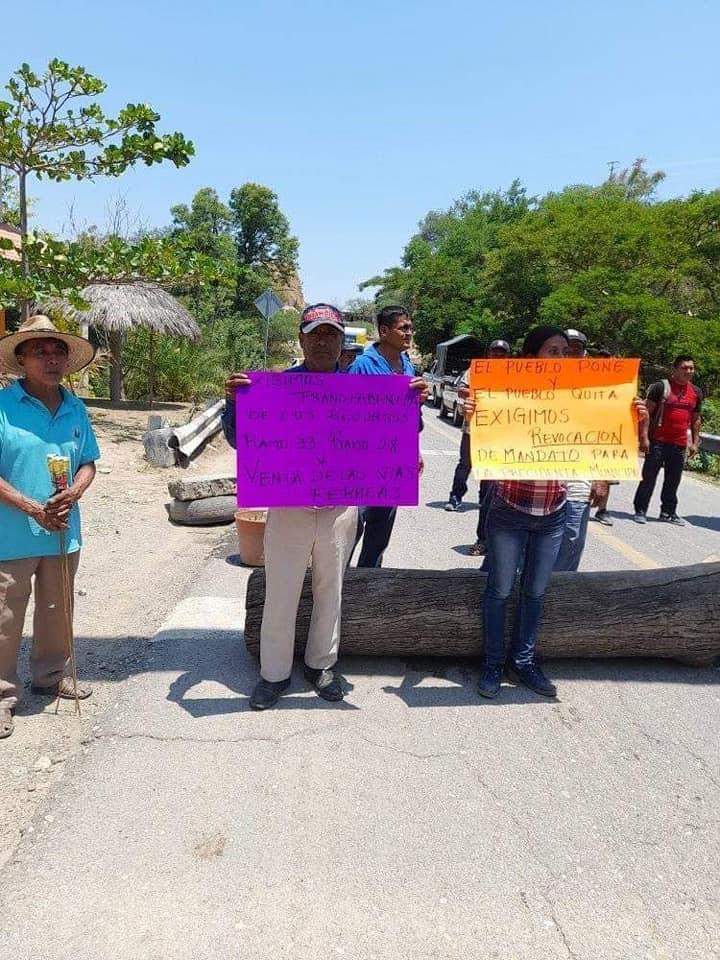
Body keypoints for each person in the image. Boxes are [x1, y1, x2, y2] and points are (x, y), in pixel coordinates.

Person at [222, 303, 359, 710]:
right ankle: (274, 674)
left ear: (342, 342)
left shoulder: (363, 393)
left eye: (331, 334)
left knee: (330, 590)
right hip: (289, 506)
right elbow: (239, 439)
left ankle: (321, 665)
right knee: (281, 591)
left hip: (339, 509)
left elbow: (395, 437)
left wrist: (410, 405)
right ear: (301, 339)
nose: (323, 341)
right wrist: (234, 403)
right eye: (315, 334)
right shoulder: (275, 388)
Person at [0, 315, 99, 740]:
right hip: (10, 536)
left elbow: (88, 462)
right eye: (39, 350)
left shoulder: (76, 408)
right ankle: (3, 695)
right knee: (5, 617)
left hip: (62, 532)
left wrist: (75, 491)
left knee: (58, 610)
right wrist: (30, 507)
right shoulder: (3, 406)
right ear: (21, 359)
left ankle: (51, 675)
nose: (51, 358)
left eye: (58, 350)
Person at [469, 326, 570, 700]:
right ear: (531, 357)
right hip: (510, 509)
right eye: (552, 350)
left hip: (553, 512)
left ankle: (523, 662)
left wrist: (629, 416)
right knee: (499, 589)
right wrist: (474, 414)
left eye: (565, 352)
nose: (561, 358)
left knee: (535, 592)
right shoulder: (509, 393)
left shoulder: (578, 398)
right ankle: (493, 663)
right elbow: (486, 437)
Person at [347, 305, 428, 567]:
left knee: (379, 537)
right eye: (403, 328)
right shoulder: (362, 366)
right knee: (350, 531)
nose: (409, 333)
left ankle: (368, 585)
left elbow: (407, 419)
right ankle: (339, 586)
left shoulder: (407, 366)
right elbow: (344, 415)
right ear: (384, 331)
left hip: (393, 465)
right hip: (361, 466)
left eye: (410, 327)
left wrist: (414, 449)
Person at [633, 355, 702, 525]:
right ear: (675, 369)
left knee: (673, 480)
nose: (688, 371)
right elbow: (645, 414)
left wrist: (694, 442)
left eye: (691, 368)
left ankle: (668, 512)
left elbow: (696, 419)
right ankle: (640, 510)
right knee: (648, 478)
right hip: (658, 441)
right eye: (684, 368)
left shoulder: (696, 392)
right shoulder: (660, 387)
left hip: (679, 444)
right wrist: (644, 438)